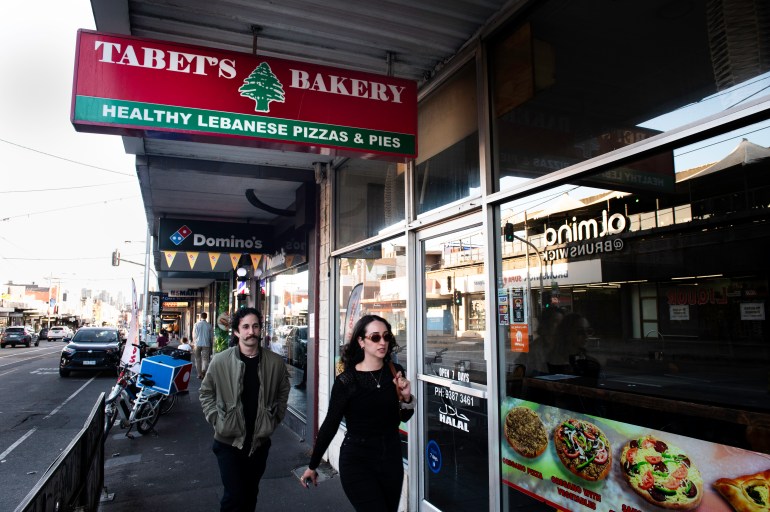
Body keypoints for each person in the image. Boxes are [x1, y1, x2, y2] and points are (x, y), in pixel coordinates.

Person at [300, 314, 414, 512]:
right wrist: (313, 464)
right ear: (361, 341)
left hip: (391, 458)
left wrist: (406, 398)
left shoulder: (396, 372)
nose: (383, 342)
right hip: (357, 460)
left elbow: (402, 418)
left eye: (386, 337)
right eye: (375, 337)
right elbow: (330, 424)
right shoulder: (347, 381)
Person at [200, 307, 290, 512]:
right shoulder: (220, 361)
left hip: (258, 443)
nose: (251, 331)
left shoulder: (274, 363)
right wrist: (216, 419)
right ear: (237, 332)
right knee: (234, 497)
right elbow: (206, 393)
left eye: (255, 326)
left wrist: (275, 418)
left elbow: (283, 391)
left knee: (250, 494)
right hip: (228, 442)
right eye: (246, 327)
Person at [193, 312, 214, 378]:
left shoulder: (196, 324)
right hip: (206, 344)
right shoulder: (209, 325)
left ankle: (199, 374)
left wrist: (194, 343)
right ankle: (204, 371)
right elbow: (211, 336)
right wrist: (211, 343)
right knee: (205, 359)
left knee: (197, 359)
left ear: (200, 317)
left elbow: (194, 335)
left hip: (197, 344)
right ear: (206, 317)